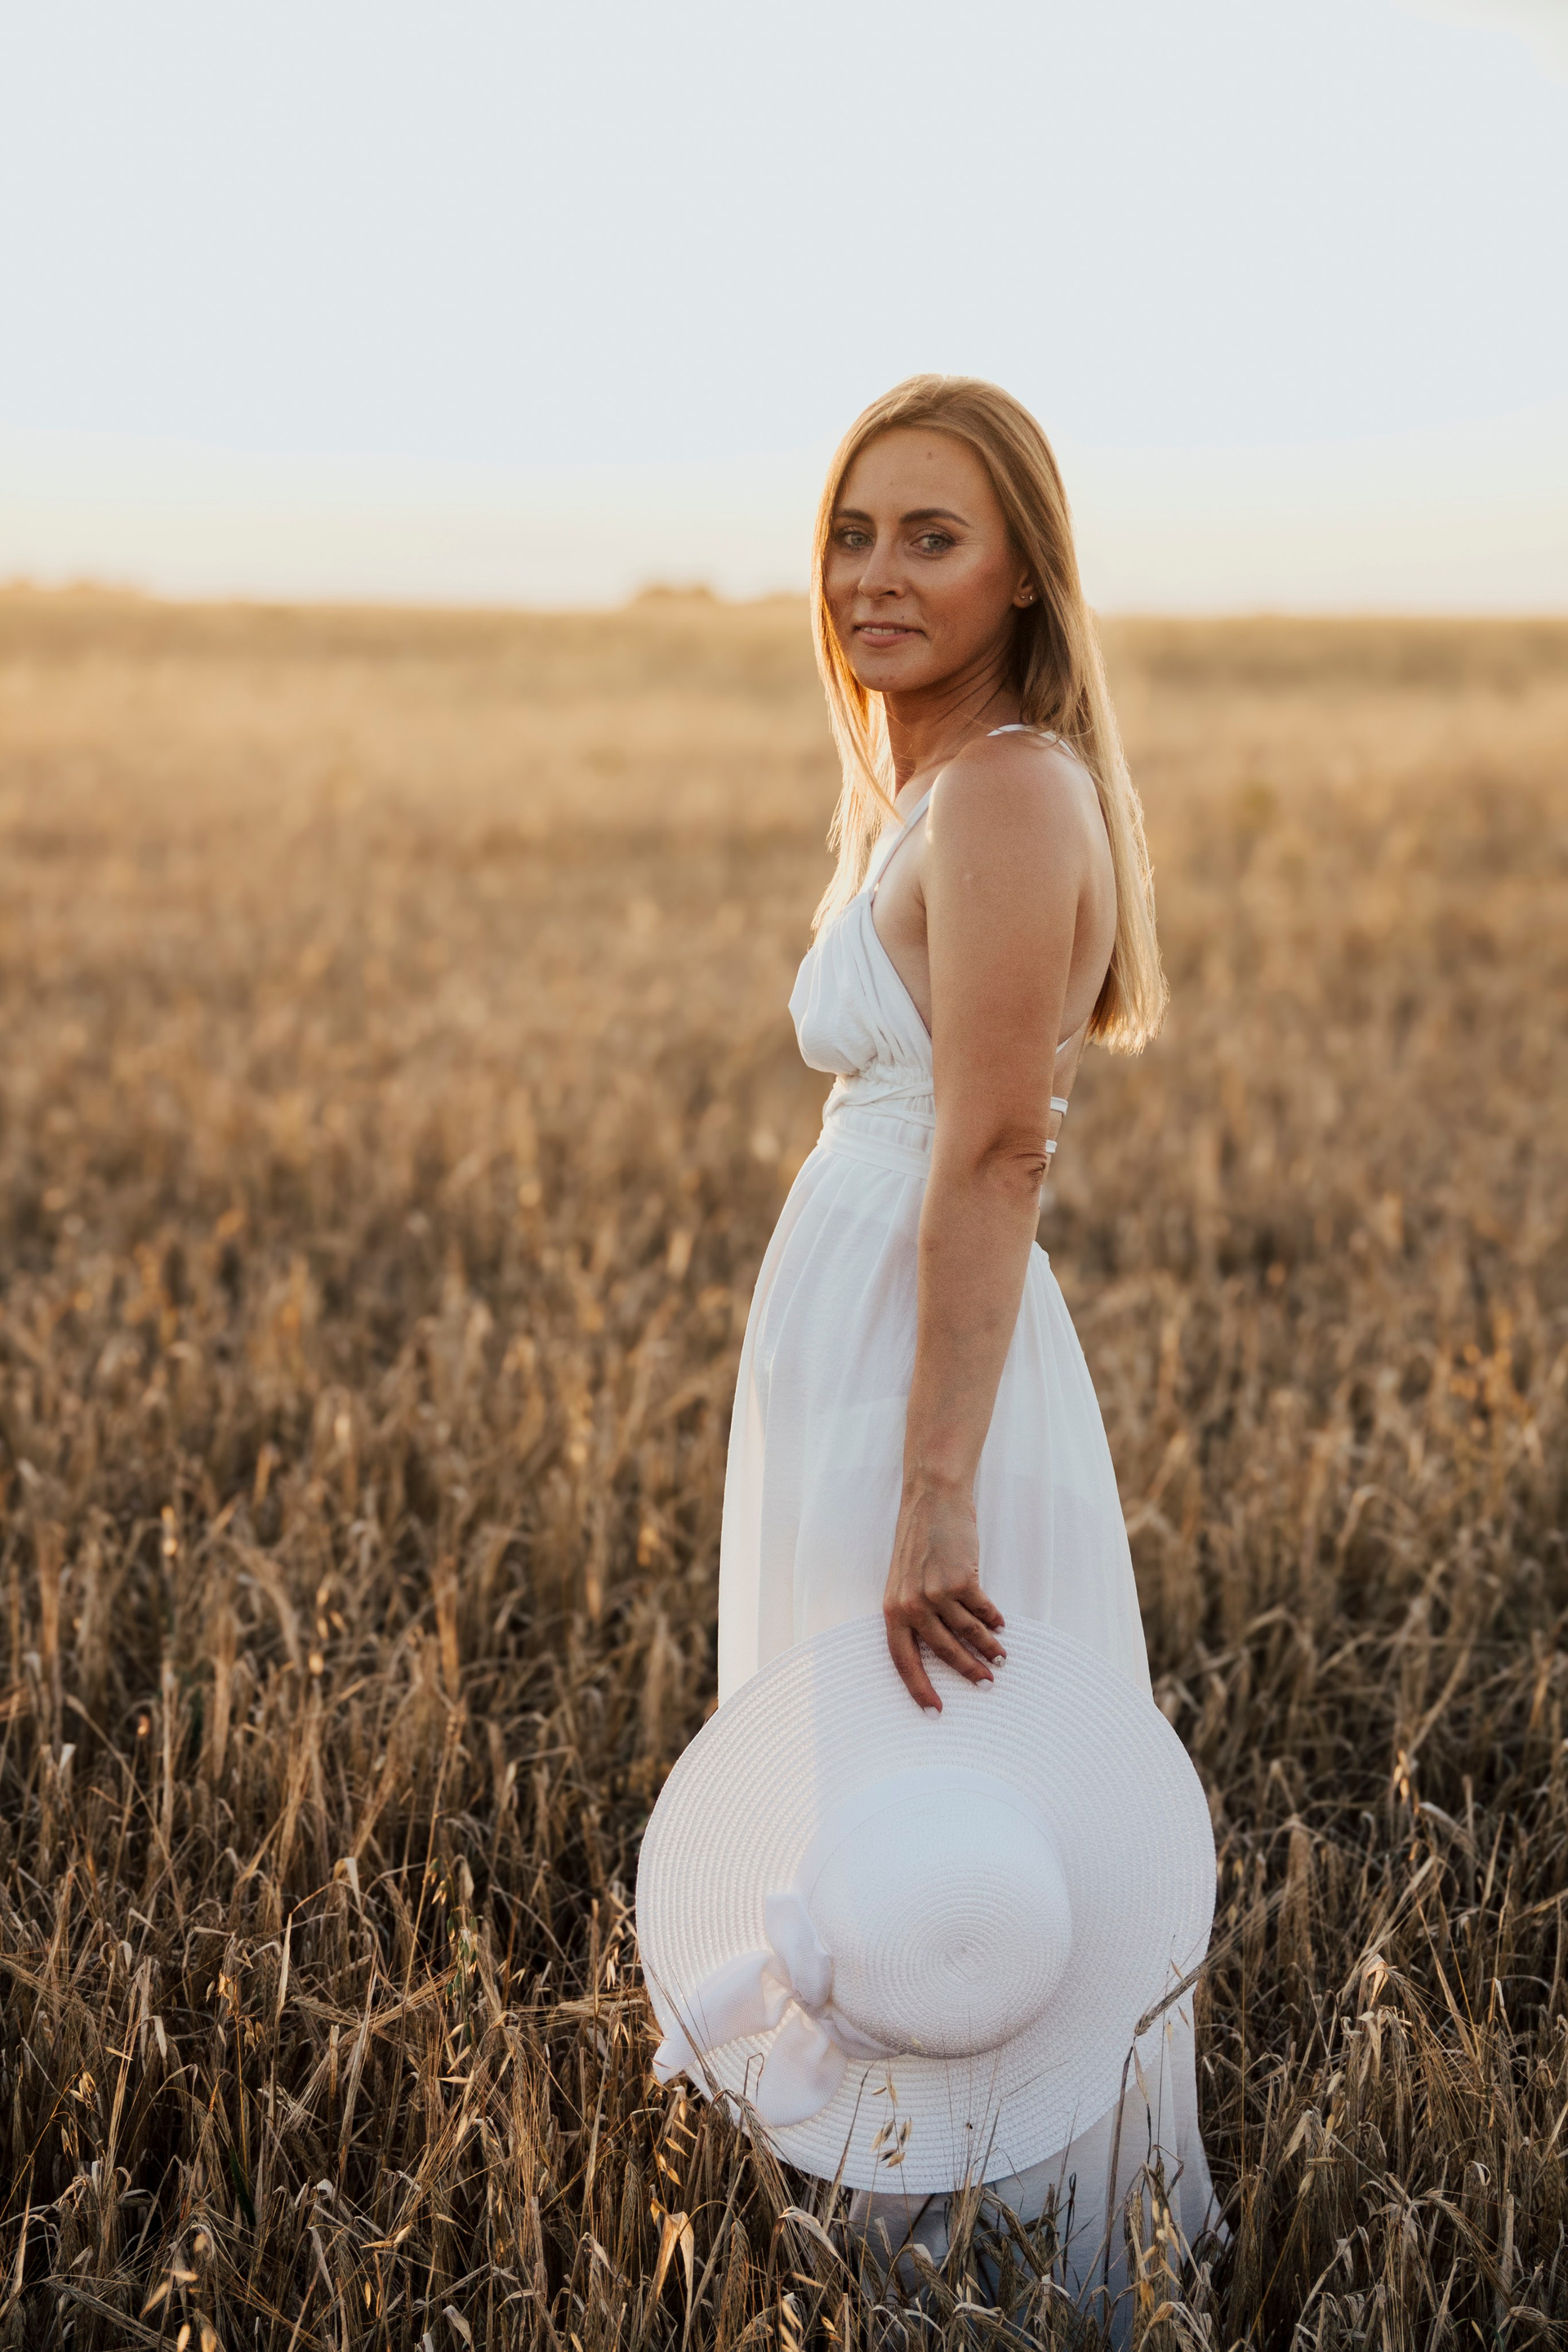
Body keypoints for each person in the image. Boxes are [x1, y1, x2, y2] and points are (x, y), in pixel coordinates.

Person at [713, 375, 1222, 2312]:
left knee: (940, 1786)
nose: (876, 574)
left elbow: (1000, 1146)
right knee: (874, 1778)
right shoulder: (931, 791)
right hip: (864, 1345)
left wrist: (937, 1486)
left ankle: (988, 2250)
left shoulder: (1008, 789)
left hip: (927, 1380)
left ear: (1023, 574)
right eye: (853, 534)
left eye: (932, 537)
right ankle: (899, 2226)